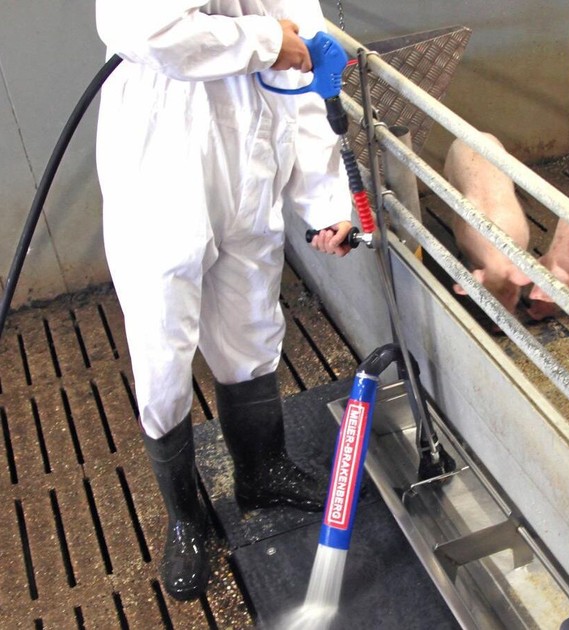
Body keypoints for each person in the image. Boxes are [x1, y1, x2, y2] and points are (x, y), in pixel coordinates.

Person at [95, 1, 355, 601]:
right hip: (158, 156)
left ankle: (261, 471)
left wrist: (325, 202)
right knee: (163, 349)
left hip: (250, 152)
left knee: (252, 325)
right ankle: (186, 516)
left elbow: (307, 64)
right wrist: (265, 42)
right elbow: (145, 28)